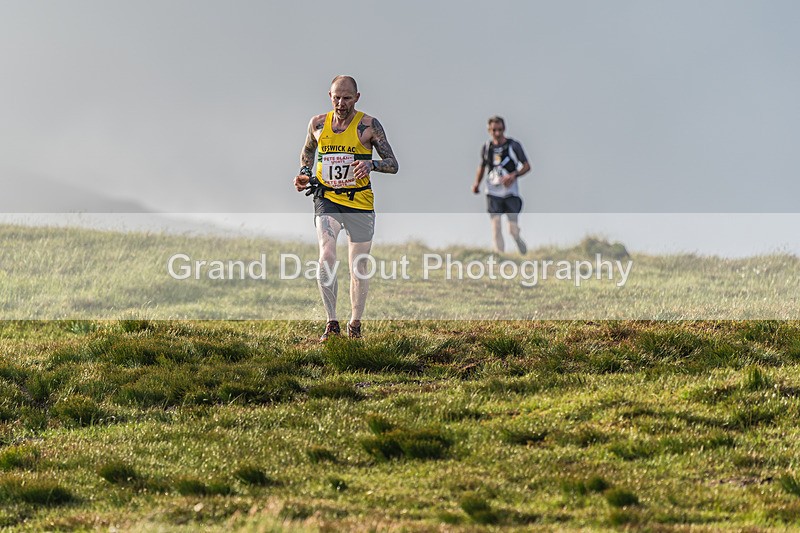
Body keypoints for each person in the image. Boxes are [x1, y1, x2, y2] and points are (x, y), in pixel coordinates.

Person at [293, 75, 399, 341]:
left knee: (358, 267)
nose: (341, 103)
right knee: (327, 255)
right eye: (336, 97)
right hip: (326, 198)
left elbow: (393, 163)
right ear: (329, 95)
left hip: (360, 201)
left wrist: (371, 165)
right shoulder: (317, 123)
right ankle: (332, 323)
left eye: (347, 98)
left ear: (357, 97)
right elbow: (307, 152)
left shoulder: (368, 125)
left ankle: (355, 324)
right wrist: (304, 173)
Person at [472, 116, 531, 254]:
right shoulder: (487, 148)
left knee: (512, 230)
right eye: (494, 130)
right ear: (489, 130)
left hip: (511, 193)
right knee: (496, 225)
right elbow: (482, 166)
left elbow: (527, 166)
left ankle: (518, 239)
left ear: (504, 129)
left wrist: (513, 175)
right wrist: (476, 184)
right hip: (493, 192)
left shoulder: (514, 146)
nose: (497, 133)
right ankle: (500, 257)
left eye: (499, 130)